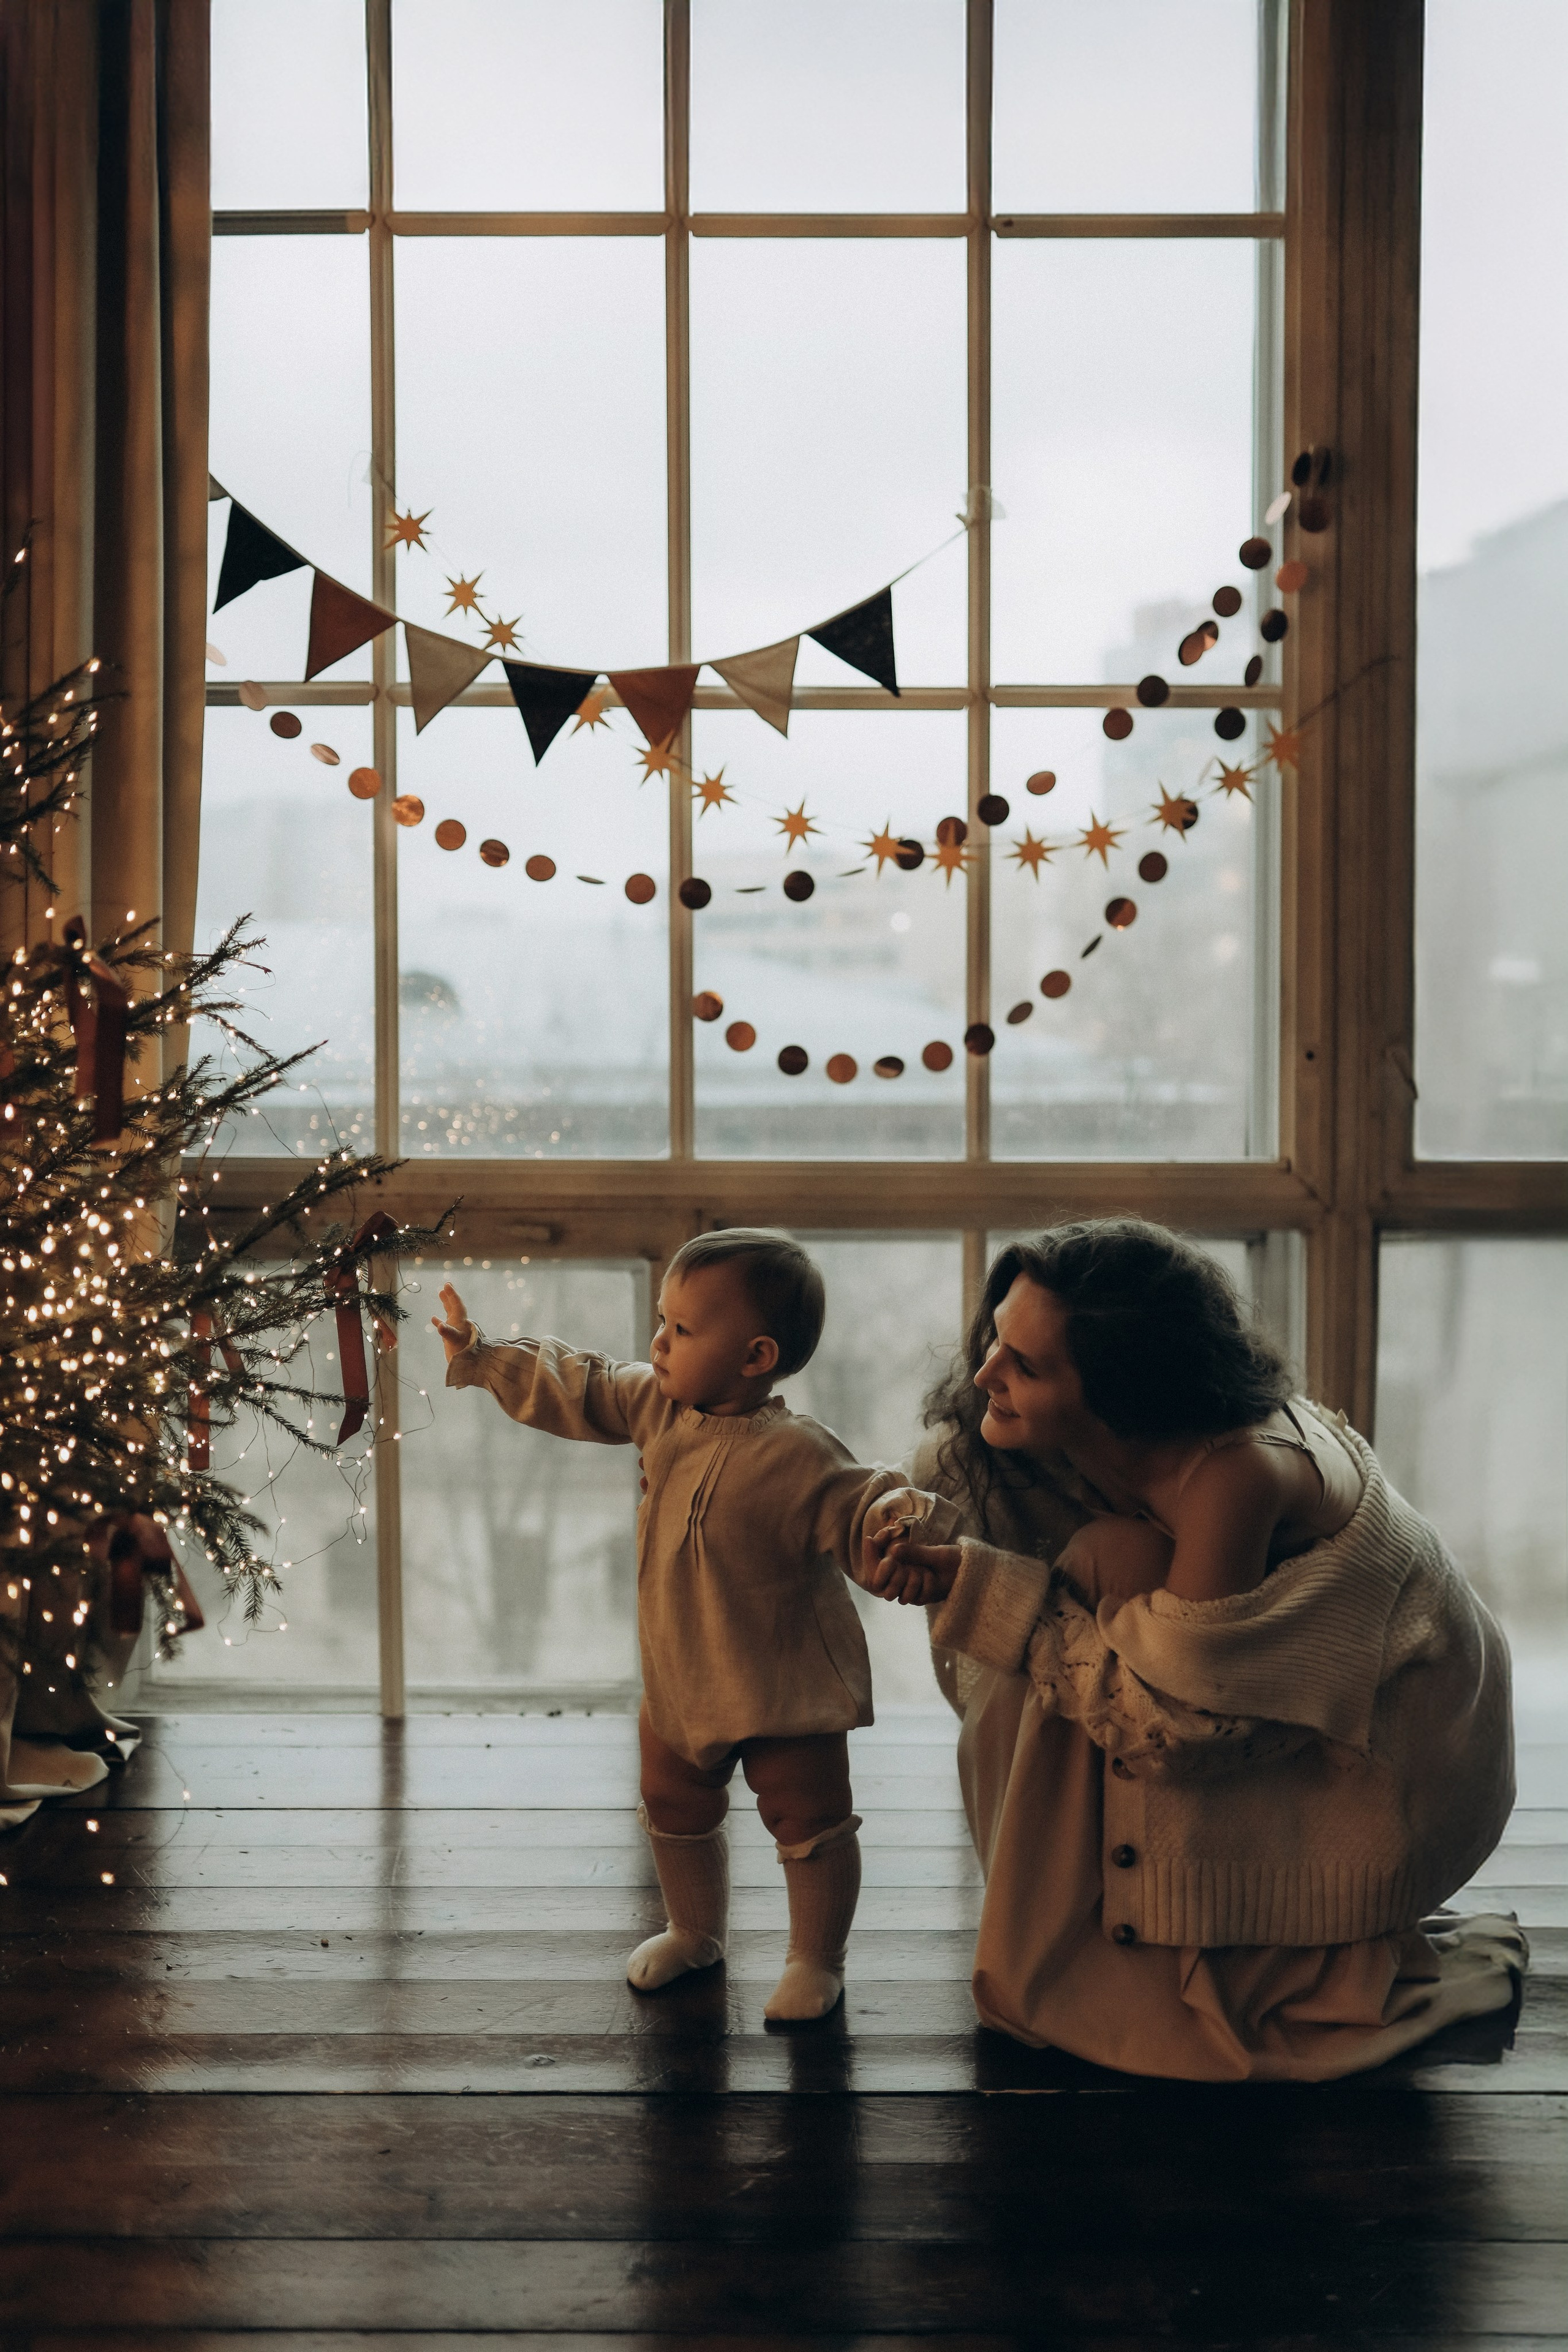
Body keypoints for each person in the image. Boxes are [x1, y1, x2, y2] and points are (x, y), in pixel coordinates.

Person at [867, 1219, 1525, 2082]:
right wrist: (905, 1532)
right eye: (996, 1337)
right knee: (1032, 1512)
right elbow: (959, 1477)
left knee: (1111, 1560)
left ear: (1121, 1386)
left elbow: (1179, 1722)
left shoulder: (1229, 1475)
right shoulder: (1130, 1433)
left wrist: (984, 1590)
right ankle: (1058, 1919)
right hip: (1322, 1704)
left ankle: (1137, 1949)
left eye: (1025, 1365)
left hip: (1408, 1749)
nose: (987, 1371)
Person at [434, 1227, 956, 2023]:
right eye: (662, 1321)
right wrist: (485, 1355)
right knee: (672, 1801)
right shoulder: (657, 1406)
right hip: (682, 1674)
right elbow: (584, 1384)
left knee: (807, 1818)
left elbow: (864, 1509)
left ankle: (816, 1960)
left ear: (755, 1356)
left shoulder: (800, 1453)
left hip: (784, 1687)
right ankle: (695, 1931)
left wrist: (901, 1531)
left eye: (681, 1329)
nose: (659, 1342)